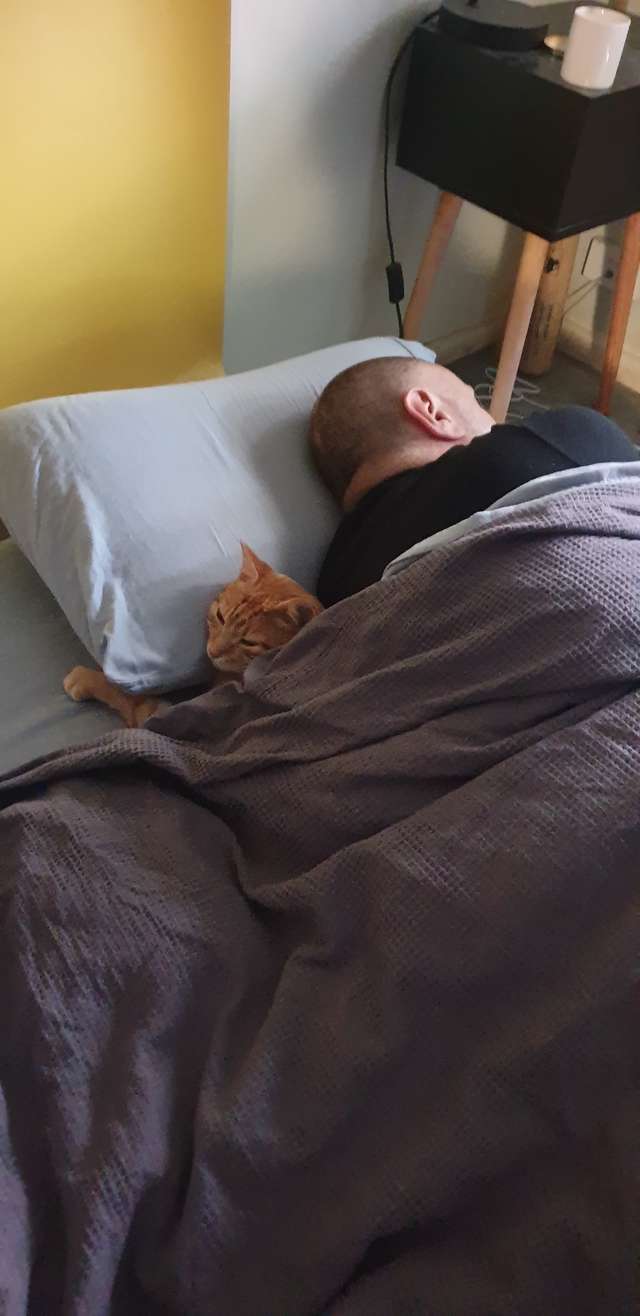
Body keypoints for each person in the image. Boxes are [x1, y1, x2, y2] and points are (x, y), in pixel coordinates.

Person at [310, 356, 639, 607]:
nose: (495, 419)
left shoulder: (332, 587)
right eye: (475, 402)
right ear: (433, 412)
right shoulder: (541, 444)